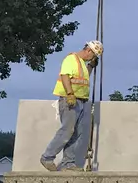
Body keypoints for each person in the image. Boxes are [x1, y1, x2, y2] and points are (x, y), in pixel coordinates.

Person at [40, 40, 103, 172]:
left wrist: (91, 66)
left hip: (80, 101)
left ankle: (68, 163)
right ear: (89, 50)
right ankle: (47, 157)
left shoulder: (82, 64)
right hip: (70, 100)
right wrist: (69, 94)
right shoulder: (71, 59)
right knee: (67, 130)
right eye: (93, 56)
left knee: (76, 133)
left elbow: (82, 79)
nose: (92, 58)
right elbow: (65, 76)